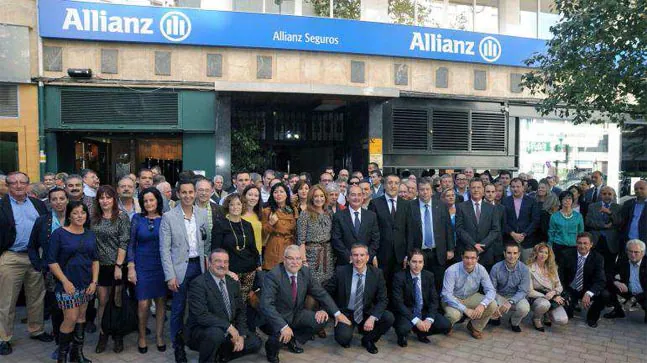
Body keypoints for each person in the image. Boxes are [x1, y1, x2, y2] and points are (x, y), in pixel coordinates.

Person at [261, 245, 346, 363]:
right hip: (278, 316)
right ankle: (270, 349)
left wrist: (337, 313)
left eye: (298, 258)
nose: (295, 262)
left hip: (296, 313)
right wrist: (283, 326)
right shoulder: (273, 275)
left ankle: (292, 339)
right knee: (279, 336)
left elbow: (320, 293)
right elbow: (266, 305)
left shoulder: (305, 272)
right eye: (291, 258)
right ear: (284, 259)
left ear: (302, 260)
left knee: (322, 319)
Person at [0, 172, 52, 356]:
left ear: (28, 185)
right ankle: (3, 338)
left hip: (35, 257)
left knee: (36, 296)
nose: (19, 186)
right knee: (7, 300)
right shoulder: (1, 205)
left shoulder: (38, 205)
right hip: (11, 257)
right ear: (8, 186)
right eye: (14, 183)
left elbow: (47, 228)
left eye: (23, 182)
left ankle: (36, 329)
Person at [160, 179, 211, 363]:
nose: (188, 196)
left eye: (191, 192)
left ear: (195, 193)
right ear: (178, 194)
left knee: (199, 307)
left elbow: (207, 243)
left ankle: (195, 340)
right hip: (180, 269)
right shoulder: (169, 217)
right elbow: (164, 250)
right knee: (178, 309)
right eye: (184, 192)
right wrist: (170, 275)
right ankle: (177, 345)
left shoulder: (203, 214)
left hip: (200, 267)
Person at [186, 249, 262, 363]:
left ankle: (222, 356)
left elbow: (240, 311)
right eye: (218, 261)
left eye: (226, 262)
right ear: (209, 263)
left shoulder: (233, 282)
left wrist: (241, 334)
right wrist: (229, 328)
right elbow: (201, 316)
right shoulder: (198, 284)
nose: (223, 265)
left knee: (255, 342)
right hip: (203, 330)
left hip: (227, 330)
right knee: (216, 334)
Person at [47, 201, 99, 363]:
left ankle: (77, 355)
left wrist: (94, 282)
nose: (79, 216)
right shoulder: (59, 234)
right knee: (70, 318)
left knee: (81, 317)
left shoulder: (90, 234)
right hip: (67, 285)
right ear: (69, 215)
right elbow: (52, 261)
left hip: (86, 284)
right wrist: (65, 281)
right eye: (75, 213)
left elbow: (95, 260)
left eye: (83, 213)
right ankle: (62, 356)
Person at [325, 244, 394, 354]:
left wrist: (373, 317)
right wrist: (335, 313)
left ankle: (368, 340)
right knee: (343, 339)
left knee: (388, 317)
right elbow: (326, 292)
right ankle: (349, 333)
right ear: (351, 258)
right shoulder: (341, 272)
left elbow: (383, 299)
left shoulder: (377, 273)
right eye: (355, 255)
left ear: (367, 257)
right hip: (346, 313)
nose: (359, 258)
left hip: (366, 312)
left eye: (362, 255)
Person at [28, 187, 68, 358]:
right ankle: (60, 344)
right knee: (57, 309)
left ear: (67, 199)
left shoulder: (76, 217)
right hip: (52, 272)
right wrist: (39, 265)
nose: (58, 202)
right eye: (54, 199)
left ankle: (73, 344)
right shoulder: (42, 221)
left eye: (61, 198)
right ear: (49, 202)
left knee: (74, 310)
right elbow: (32, 246)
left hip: (74, 271)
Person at [126, 187, 168, 354]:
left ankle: (159, 336)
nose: (149, 203)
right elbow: (131, 244)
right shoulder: (137, 218)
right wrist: (131, 267)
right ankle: (142, 336)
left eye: (152, 200)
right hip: (142, 265)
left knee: (160, 301)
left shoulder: (166, 219)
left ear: (158, 200)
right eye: (145, 201)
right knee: (143, 303)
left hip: (161, 265)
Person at [91, 185, 131, 354]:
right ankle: (103, 333)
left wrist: (119, 266)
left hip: (116, 267)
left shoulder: (121, 217)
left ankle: (118, 334)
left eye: (108, 197)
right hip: (99, 267)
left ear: (114, 199)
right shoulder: (93, 218)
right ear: (98, 200)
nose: (105, 200)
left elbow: (124, 242)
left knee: (117, 301)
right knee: (102, 302)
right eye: (101, 197)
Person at [212, 194, 261, 325]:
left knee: (245, 304)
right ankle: (231, 331)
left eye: (238, 204)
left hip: (249, 272)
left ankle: (244, 330)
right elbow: (215, 251)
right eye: (232, 204)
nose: (235, 207)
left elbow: (253, 249)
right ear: (227, 206)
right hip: (231, 273)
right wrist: (226, 271)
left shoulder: (247, 225)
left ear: (243, 206)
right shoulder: (220, 225)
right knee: (231, 303)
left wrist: (258, 266)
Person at [392, 249, 451, 347]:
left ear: (424, 263)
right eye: (414, 262)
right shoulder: (399, 277)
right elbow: (398, 303)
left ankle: (422, 333)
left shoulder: (429, 276)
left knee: (446, 325)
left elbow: (434, 300)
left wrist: (429, 319)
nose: (417, 265)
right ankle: (402, 336)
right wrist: (416, 321)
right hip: (407, 312)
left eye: (420, 262)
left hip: (423, 310)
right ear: (408, 262)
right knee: (403, 328)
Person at [405, 179, 454, 291]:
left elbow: (448, 228)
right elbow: (407, 231)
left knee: (438, 282)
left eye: (427, 189)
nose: (425, 192)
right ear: (417, 191)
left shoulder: (441, 205)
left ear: (432, 191)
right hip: (418, 252)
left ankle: (437, 307)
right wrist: (408, 253)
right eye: (422, 190)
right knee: (420, 283)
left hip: (438, 251)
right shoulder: (410, 206)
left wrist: (450, 249)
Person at [441, 247, 497, 339]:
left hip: (471, 296)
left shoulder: (481, 269)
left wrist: (482, 305)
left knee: (492, 304)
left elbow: (491, 290)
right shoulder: (452, 270)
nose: (469, 261)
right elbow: (446, 295)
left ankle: (475, 326)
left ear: (477, 259)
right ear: (462, 257)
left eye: (473, 258)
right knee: (453, 315)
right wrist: (465, 309)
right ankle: (448, 326)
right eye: (466, 257)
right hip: (453, 298)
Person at [558, 232, 610, 328]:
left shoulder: (598, 258)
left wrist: (589, 293)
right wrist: (563, 291)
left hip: (587, 289)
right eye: (579, 243)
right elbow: (560, 275)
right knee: (566, 315)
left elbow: (601, 280)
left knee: (604, 295)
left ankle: (592, 317)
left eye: (585, 243)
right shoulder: (566, 254)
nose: (582, 246)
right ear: (576, 243)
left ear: (591, 245)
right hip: (570, 289)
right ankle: (571, 306)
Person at [368, 174, 410, 288]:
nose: (393, 186)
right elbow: (372, 231)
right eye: (390, 183)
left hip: (401, 256)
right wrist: (373, 254)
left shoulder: (406, 204)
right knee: (382, 286)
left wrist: (408, 254)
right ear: (384, 185)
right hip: (382, 254)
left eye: (396, 183)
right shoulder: (375, 203)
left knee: (399, 287)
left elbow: (409, 231)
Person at [455, 178, 501, 271]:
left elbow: (495, 230)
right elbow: (459, 229)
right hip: (467, 252)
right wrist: (474, 244)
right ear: (469, 189)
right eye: (473, 187)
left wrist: (482, 245)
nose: (476, 190)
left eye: (479, 187)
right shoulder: (461, 207)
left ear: (483, 190)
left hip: (486, 252)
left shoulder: (492, 208)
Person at [331, 184, 380, 267]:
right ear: (347, 197)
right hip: (345, 263)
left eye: (359, 195)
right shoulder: (338, 216)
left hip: (366, 263)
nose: (356, 198)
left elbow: (375, 239)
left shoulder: (371, 216)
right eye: (353, 195)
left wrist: (367, 257)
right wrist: (349, 258)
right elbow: (336, 240)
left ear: (363, 197)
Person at [488, 243, 530, 332]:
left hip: (516, 296)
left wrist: (511, 301)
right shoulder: (496, 268)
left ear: (519, 254)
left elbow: (523, 291)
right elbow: (491, 289)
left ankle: (514, 322)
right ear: (504, 253)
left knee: (524, 308)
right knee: (491, 303)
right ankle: (495, 317)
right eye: (509, 253)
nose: (512, 256)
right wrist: (496, 301)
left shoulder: (524, 269)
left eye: (515, 253)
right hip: (500, 295)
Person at [526, 242, 568, 331]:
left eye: (546, 253)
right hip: (536, 297)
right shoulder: (528, 268)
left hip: (552, 295)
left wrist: (553, 292)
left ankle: (546, 314)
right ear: (536, 253)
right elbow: (530, 291)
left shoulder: (552, 268)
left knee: (563, 320)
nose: (543, 255)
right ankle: (536, 319)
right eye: (541, 252)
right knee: (545, 304)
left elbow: (559, 287)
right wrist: (549, 297)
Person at [296, 184, 334, 284]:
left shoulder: (329, 213)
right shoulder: (305, 214)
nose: (319, 199)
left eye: (321, 196)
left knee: (327, 286)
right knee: (312, 288)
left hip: (328, 254)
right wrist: (304, 262)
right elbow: (301, 241)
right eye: (316, 196)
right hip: (311, 256)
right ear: (311, 198)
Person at [585, 186, 623, 281]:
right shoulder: (592, 206)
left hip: (611, 242)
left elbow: (619, 222)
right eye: (604, 194)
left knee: (609, 267)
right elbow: (588, 222)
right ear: (600, 195)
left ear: (614, 195)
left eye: (609, 194)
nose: (607, 196)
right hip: (595, 240)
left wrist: (609, 212)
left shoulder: (618, 207)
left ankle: (609, 287)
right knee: (594, 266)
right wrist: (603, 225)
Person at [604, 239, 647, 323]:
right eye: (630, 251)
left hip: (644, 295)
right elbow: (608, 273)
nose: (633, 255)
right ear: (627, 252)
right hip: (628, 291)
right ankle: (618, 311)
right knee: (606, 290)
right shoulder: (623, 261)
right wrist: (616, 282)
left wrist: (634, 299)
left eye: (636, 252)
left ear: (642, 253)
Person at [502, 178, 540, 262]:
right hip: (510, 240)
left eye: (518, 186)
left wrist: (524, 234)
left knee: (527, 268)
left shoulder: (532, 201)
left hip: (527, 241)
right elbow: (503, 221)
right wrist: (512, 233)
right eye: (513, 187)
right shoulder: (505, 201)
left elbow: (535, 220)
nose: (515, 189)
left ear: (523, 187)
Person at [262, 183, 297, 271]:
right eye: (275, 192)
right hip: (274, 246)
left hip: (290, 245)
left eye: (281, 191)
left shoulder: (293, 210)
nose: (278, 194)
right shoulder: (267, 211)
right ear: (272, 195)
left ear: (286, 194)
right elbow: (262, 234)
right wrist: (270, 223)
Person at [548, 191, 585, 264]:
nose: (567, 200)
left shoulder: (578, 216)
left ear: (572, 201)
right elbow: (551, 232)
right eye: (564, 199)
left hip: (574, 247)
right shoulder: (554, 216)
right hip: (558, 246)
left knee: (572, 270)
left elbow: (581, 232)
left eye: (569, 198)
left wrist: (581, 246)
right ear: (561, 201)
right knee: (558, 270)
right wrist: (549, 247)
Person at [621, 180, 647, 245]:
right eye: (636, 189)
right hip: (629, 241)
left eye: (641, 188)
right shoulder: (628, 203)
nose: (638, 190)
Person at [241, 185, 263, 255]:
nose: (253, 198)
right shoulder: (238, 213)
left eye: (256, 196)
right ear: (244, 196)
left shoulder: (260, 213)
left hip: (257, 253)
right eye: (250, 195)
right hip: (242, 253)